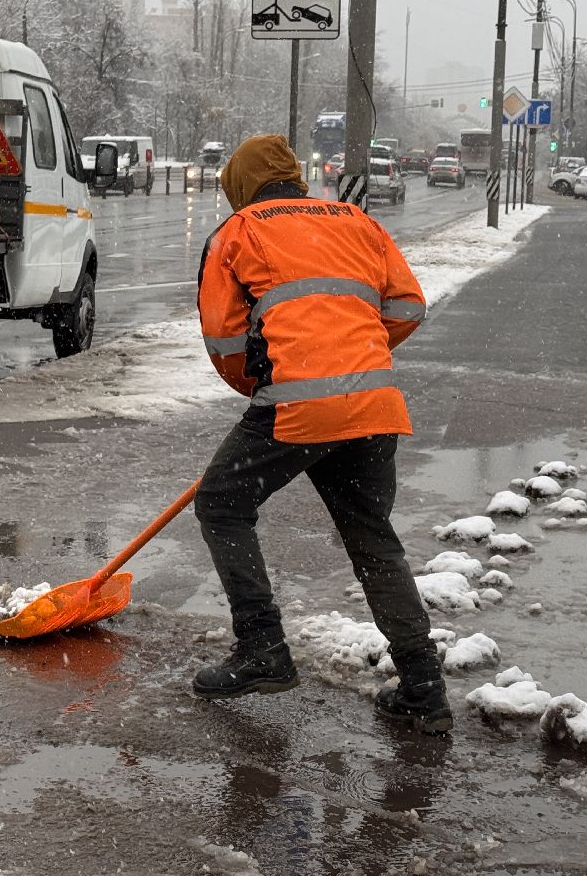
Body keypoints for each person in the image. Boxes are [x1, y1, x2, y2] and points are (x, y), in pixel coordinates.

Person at [191, 134, 451, 734]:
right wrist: (351, 354)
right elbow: (408, 305)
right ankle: (424, 688)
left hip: (297, 405)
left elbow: (225, 340)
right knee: (372, 538)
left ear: (239, 186)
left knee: (222, 505)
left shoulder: (238, 233)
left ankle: (263, 649)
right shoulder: (356, 220)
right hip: (373, 403)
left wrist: (264, 376)